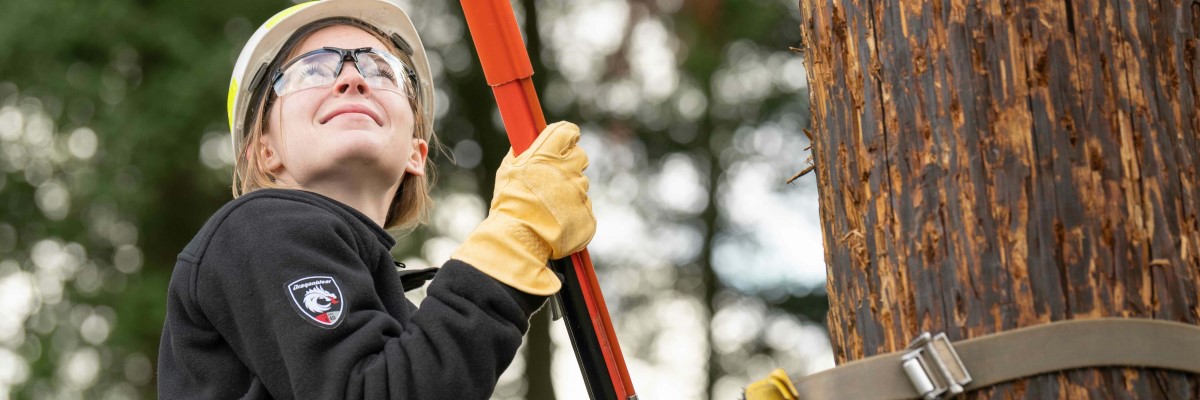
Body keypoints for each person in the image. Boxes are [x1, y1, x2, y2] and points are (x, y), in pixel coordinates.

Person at [156, 0, 594, 398]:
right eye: (312, 69)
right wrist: (510, 250)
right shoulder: (258, 227)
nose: (352, 79)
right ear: (264, 150)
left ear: (415, 153)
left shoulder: (394, 316)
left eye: (382, 70)